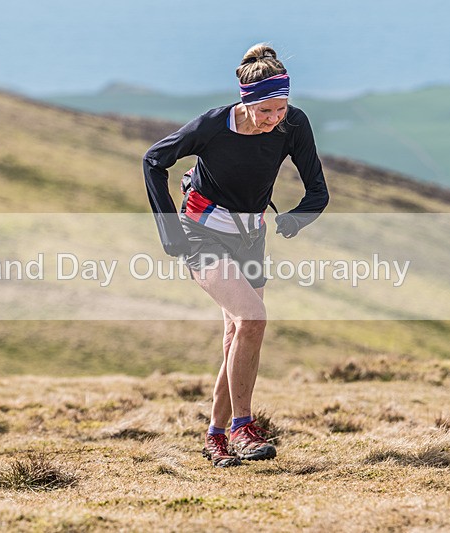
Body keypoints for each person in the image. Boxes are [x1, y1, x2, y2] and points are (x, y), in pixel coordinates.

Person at [143, 44, 329, 467]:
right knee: (253, 319)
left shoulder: (293, 124)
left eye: (281, 108)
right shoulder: (212, 126)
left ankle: (215, 436)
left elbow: (318, 191)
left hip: (251, 235)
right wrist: (169, 229)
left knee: (236, 336)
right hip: (200, 232)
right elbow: (154, 159)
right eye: (266, 111)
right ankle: (243, 427)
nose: (275, 119)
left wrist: (296, 219)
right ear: (245, 103)